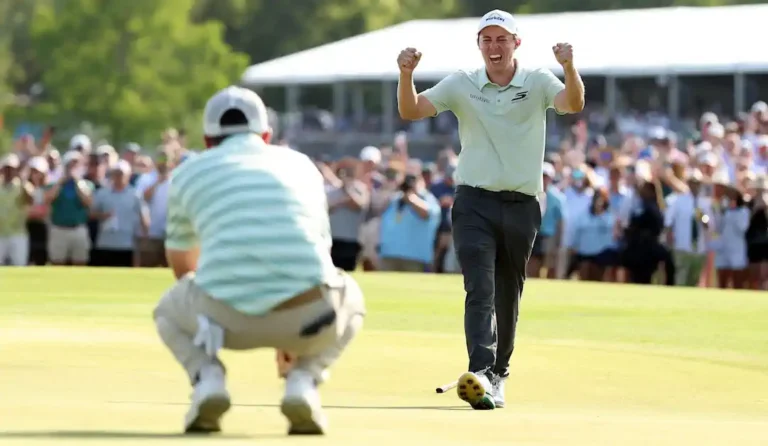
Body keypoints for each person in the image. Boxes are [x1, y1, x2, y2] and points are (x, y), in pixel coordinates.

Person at [396, 8, 584, 410]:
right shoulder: (463, 83)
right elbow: (411, 110)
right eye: (487, 40)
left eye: (502, 39)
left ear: (516, 43)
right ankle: (480, 371)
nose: (494, 47)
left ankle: (498, 375)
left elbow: (572, 102)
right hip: (474, 202)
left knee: (507, 291)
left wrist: (569, 66)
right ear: (479, 45)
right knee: (478, 286)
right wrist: (406, 75)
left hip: (522, 203)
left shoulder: (537, 82)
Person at [152, 86, 365, 435]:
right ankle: (303, 382)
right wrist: (289, 336)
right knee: (353, 299)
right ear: (266, 135)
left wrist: (208, 320)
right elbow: (318, 254)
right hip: (310, 316)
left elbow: (182, 266)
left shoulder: (189, 172)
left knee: (166, 311)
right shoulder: (300, 165)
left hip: (223, 318)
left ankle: (208, 379)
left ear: (208, 140)